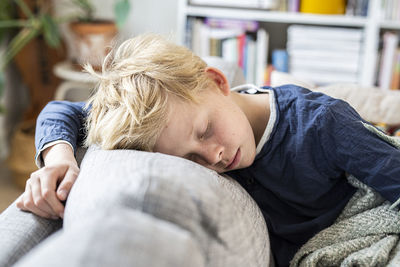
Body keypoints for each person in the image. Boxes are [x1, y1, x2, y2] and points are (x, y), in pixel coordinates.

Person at [16, 34, 400, 266]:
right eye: (190, 158)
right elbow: (61, 109)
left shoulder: (321, 124)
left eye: (205, 131)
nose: (212, 157)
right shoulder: (172, 118)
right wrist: (60, 158)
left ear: (216, 81)